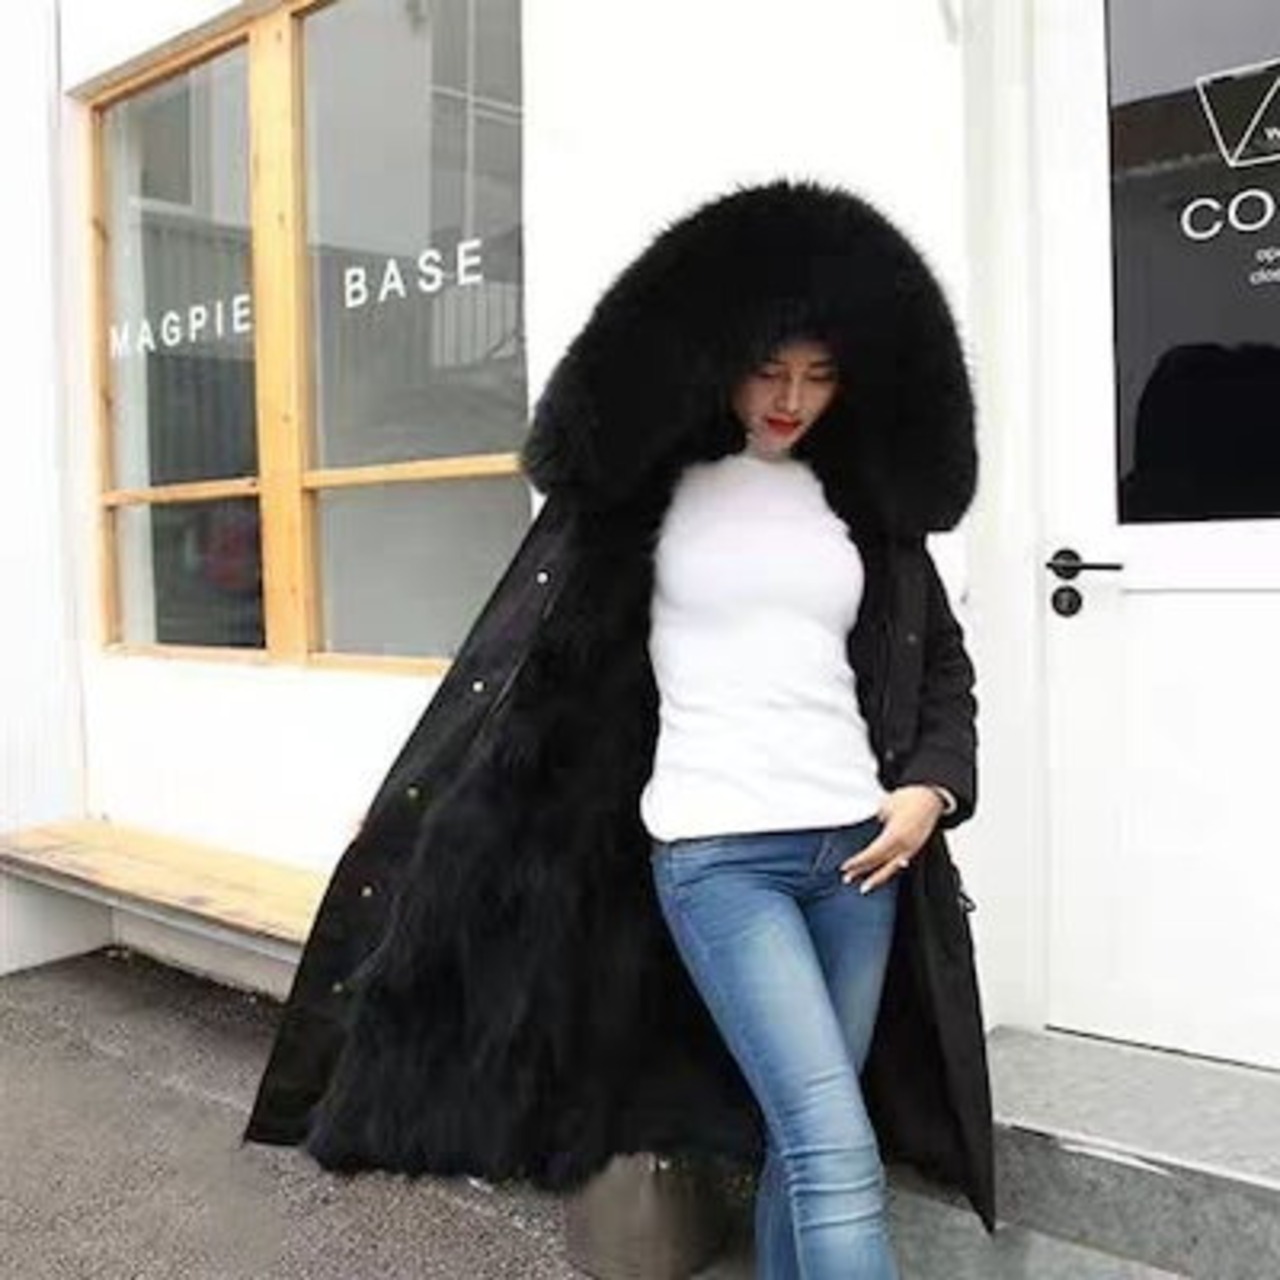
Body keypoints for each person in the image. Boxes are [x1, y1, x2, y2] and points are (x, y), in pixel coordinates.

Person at [243, 178, 994, 1273]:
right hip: (718, 857)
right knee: (839, 1149)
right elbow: (513, 674)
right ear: (722, 359)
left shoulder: (864, 512)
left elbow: (942, 677)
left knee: (804, 1143)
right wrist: (414, 809)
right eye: (769, 369)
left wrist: (931, 787)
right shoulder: (643, 498)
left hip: (858, 862)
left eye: (818, 375)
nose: (790, 397)